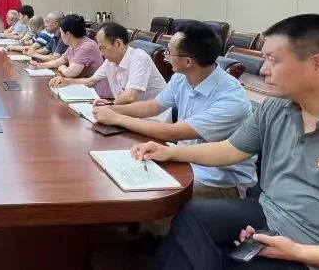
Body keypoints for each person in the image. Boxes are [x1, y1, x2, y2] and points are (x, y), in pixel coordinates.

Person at [136, 14, 319, 270]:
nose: (263, 70)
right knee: (192, 217)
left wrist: (298, 251)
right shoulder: (277, 107)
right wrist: (169, 152)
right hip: (270, 214)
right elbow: (231, 149)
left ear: (317, 64)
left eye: (272, 60)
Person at [96, 21, 256, 199]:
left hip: (219, 179)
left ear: (188, 61)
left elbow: (173, 132)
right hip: (184, 160)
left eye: (169, 53)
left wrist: (117, 118)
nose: (166, 57)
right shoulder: (181, 77)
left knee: (142, 193)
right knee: (122, 170)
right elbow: (153, 106)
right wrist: (113, 109)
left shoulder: (231, 98)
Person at [50, 22, 169, 120]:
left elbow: (129, 97)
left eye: (103, 48)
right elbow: (91, 81)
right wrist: (67, 81)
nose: (101, 53)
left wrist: (109, 105)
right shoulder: (110, 61)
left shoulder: (139, 59)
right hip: (127, 114)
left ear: (117, 43)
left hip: (154, 119)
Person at [30, 14, 112, 97]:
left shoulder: (87, 47)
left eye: (61, 32)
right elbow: (59, 61)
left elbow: (70, 73)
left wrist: (62, 67)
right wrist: (40, 65)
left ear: (68, 34)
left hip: (98, 93)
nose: (61, 35)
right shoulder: (73, 45)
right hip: (82, 87)